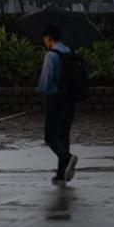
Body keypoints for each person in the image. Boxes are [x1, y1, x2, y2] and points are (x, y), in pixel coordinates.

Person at [36, 24, 78, 184]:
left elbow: (46, 81)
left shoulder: (51, 55)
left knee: (50, 135)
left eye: (45, 39)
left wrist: (39, 95)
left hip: (56, 99)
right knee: (64, 134)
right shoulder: (70, 52)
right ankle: (61, 174)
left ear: (48, 38)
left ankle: (67, 158)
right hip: (71, 99)